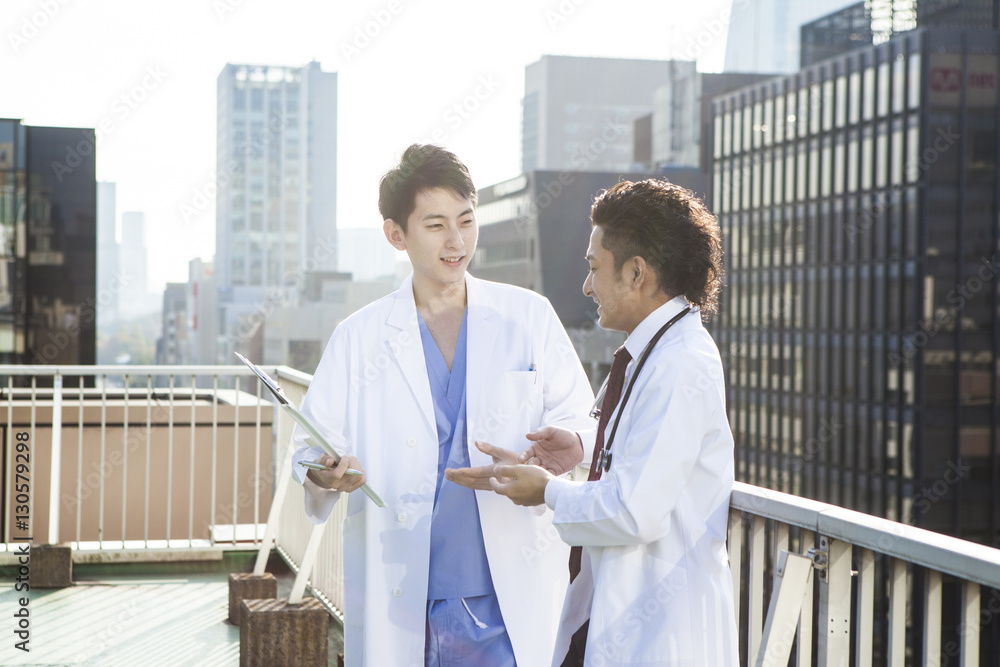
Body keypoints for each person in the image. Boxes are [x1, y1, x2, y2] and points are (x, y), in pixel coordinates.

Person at [289, 144, 596, 667]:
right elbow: (309, 447)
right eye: (435, 225)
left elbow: (581, 421)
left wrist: (567, 447)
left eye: (466, 220)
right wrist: (326, 472)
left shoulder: (529, 316)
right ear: (396, 234)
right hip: (403, 592)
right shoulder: (358, 337)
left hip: (507, 594)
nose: (457, 242)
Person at [488, 179, 739, 666]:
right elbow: (648, 449)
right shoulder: (654, 352)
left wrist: (547, 490)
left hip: (662, 635)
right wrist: (583, 447)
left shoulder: (681, 362)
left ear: (636, 272)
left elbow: (634, 510)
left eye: (593, 268)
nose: (587, 287)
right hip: (621, 617)